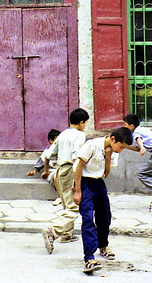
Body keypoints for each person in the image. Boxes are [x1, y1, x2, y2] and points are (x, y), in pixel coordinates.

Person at [72, 127, 133, 274]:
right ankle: (89, 258)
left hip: (98, 183)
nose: (121, 150)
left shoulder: (113, 151)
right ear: (113, 139)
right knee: (87, 218)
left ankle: (103, 245)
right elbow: (79, 167)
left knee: (105, 216)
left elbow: (106, 173)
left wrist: (108, 157)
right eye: (121, 146)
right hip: (84, 182)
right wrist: (78, 191)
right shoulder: (92, 145)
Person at [41, 108, 89, 253]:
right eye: (86, 123)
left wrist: (47, 170)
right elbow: (76, 158)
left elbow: (48, 155)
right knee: (74, 206)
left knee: (66, 203)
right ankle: (53, 232)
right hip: (70, 169)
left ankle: (67, 234)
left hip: (60, 170)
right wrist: (76, 180)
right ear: (81, 123)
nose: (85, 125)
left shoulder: (62, 135)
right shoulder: (79, 136)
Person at [26, 129, 62, 206]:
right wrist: (34, 171)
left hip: (63, 169)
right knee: (56, 176)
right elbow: (41, 162)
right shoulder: (47, 152)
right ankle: (60, 197)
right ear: (51, 141)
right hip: (53, 171)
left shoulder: (63, 150)